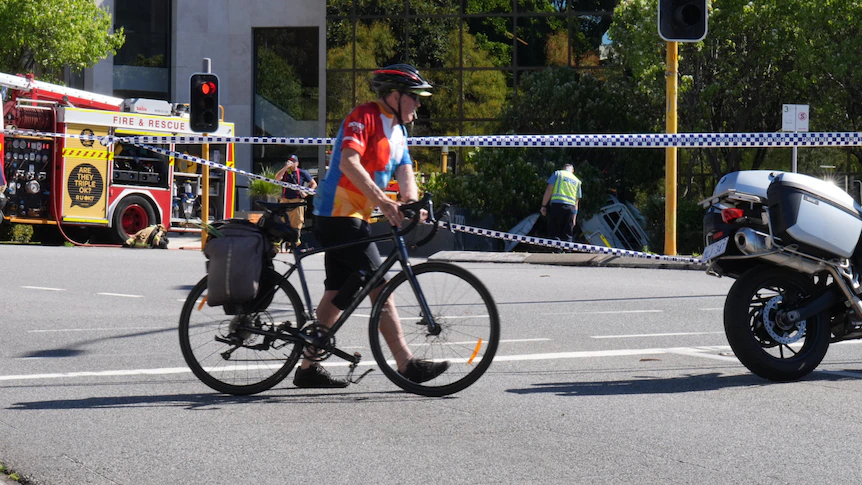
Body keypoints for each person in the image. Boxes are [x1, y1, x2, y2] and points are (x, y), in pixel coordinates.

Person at [295, 63, 450, 388]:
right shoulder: (363, 117)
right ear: (394, 95)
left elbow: (405, 170)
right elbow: (348, 162)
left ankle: (307, 368)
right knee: (379, 286)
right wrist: (382, 200)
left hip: (356, 218)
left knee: (337, 291)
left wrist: (410, 203)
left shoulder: (398, 131)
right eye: (415, 98)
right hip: (336, 214)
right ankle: (407, 365)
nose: (419, 105)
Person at [274, 154, 317, 246]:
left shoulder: (302, 172)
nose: (291, 163)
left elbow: (313, 184)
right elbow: (277, 178)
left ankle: (295, 241)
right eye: (290, 161)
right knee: (282, 219)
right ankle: (281, 239)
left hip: (297, 200)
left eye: (293, 161)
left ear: (297, 163)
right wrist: (286, 167)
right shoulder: (285, 172)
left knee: (297, 221)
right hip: (285, 200)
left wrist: (307, 192)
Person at [540, 163, 582, 246]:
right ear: (573, 171)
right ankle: (567, 253)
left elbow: (549, 190)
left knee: (555, 231)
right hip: (570, 208)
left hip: (557, 206)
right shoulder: (577, 181)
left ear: (563, 168)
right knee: (567, 233)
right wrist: (574, 217)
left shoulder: (558, 174)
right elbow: (577, 201)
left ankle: (556, 252)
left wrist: (543, 205)